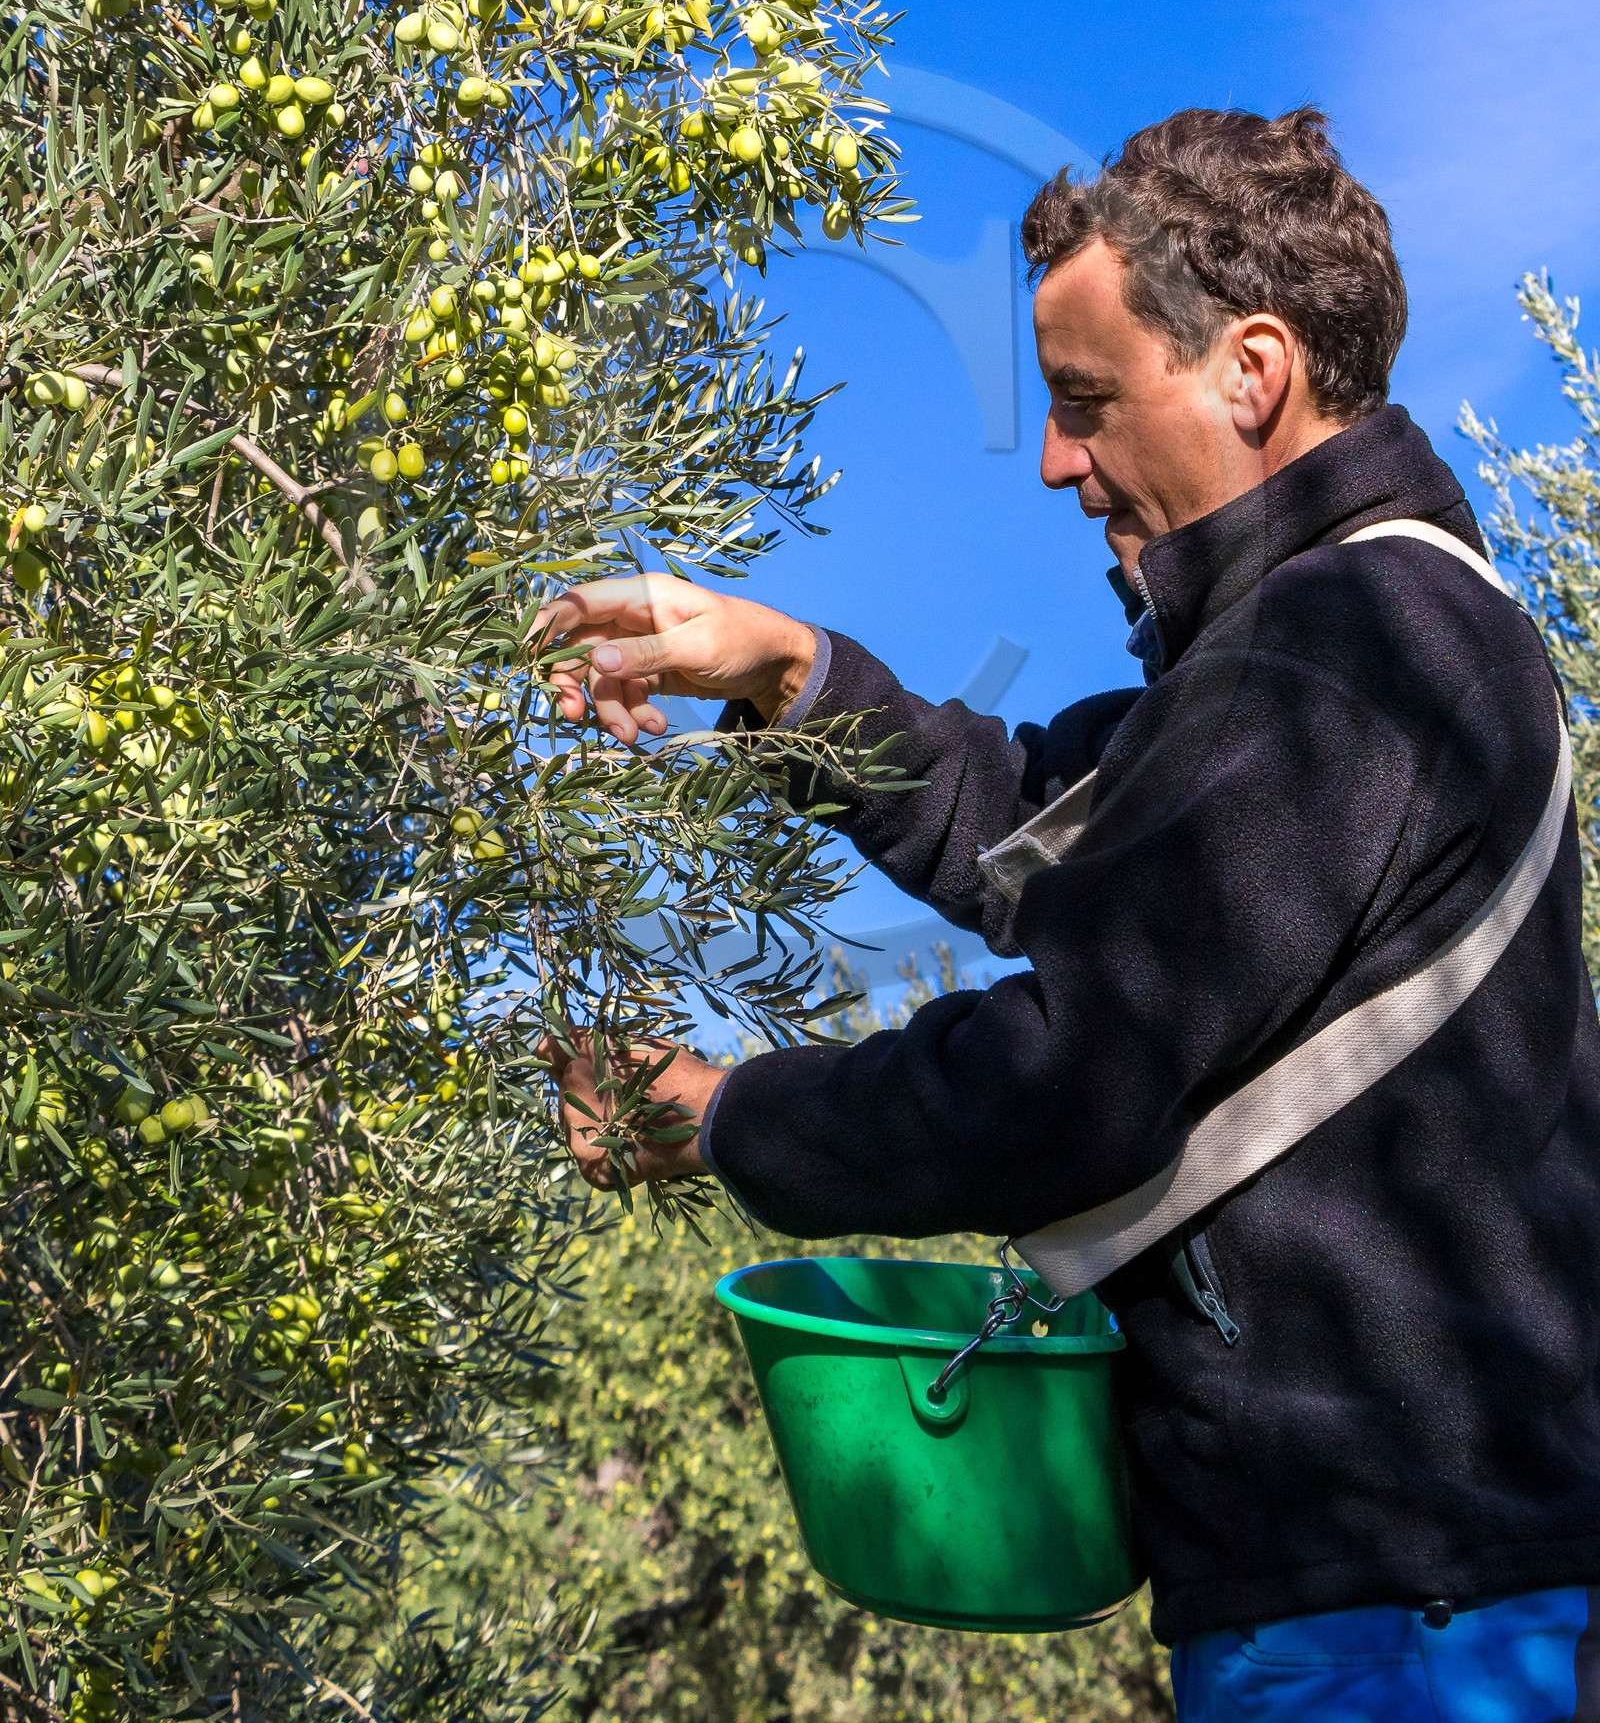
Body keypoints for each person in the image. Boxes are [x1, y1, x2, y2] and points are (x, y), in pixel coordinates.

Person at [537, 106, 1600, 1723]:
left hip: (1416, 1614)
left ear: (1252, 371)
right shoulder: (1296, 664)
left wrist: (724, 1115)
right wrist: (785, 675)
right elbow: (1044, 819)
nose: (1053, 460)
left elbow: (1070, 1067)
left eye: (1087, 403)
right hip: (1386, 1592)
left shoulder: (1362, 647)